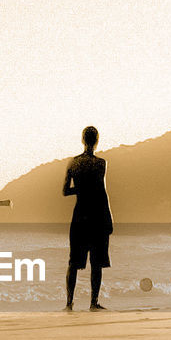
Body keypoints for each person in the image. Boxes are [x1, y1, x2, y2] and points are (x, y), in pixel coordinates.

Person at [63, 126, 112, 311]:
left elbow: (65, 191)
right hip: (97, 215)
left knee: (73, 262)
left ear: (82, 140)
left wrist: (81, 189)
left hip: (79, 216)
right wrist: (109, 218)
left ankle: (69, 303)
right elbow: (102, 191)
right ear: (97, 140)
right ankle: (93, 302)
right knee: (96, 262)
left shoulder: (73, 163)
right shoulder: (101, 163)